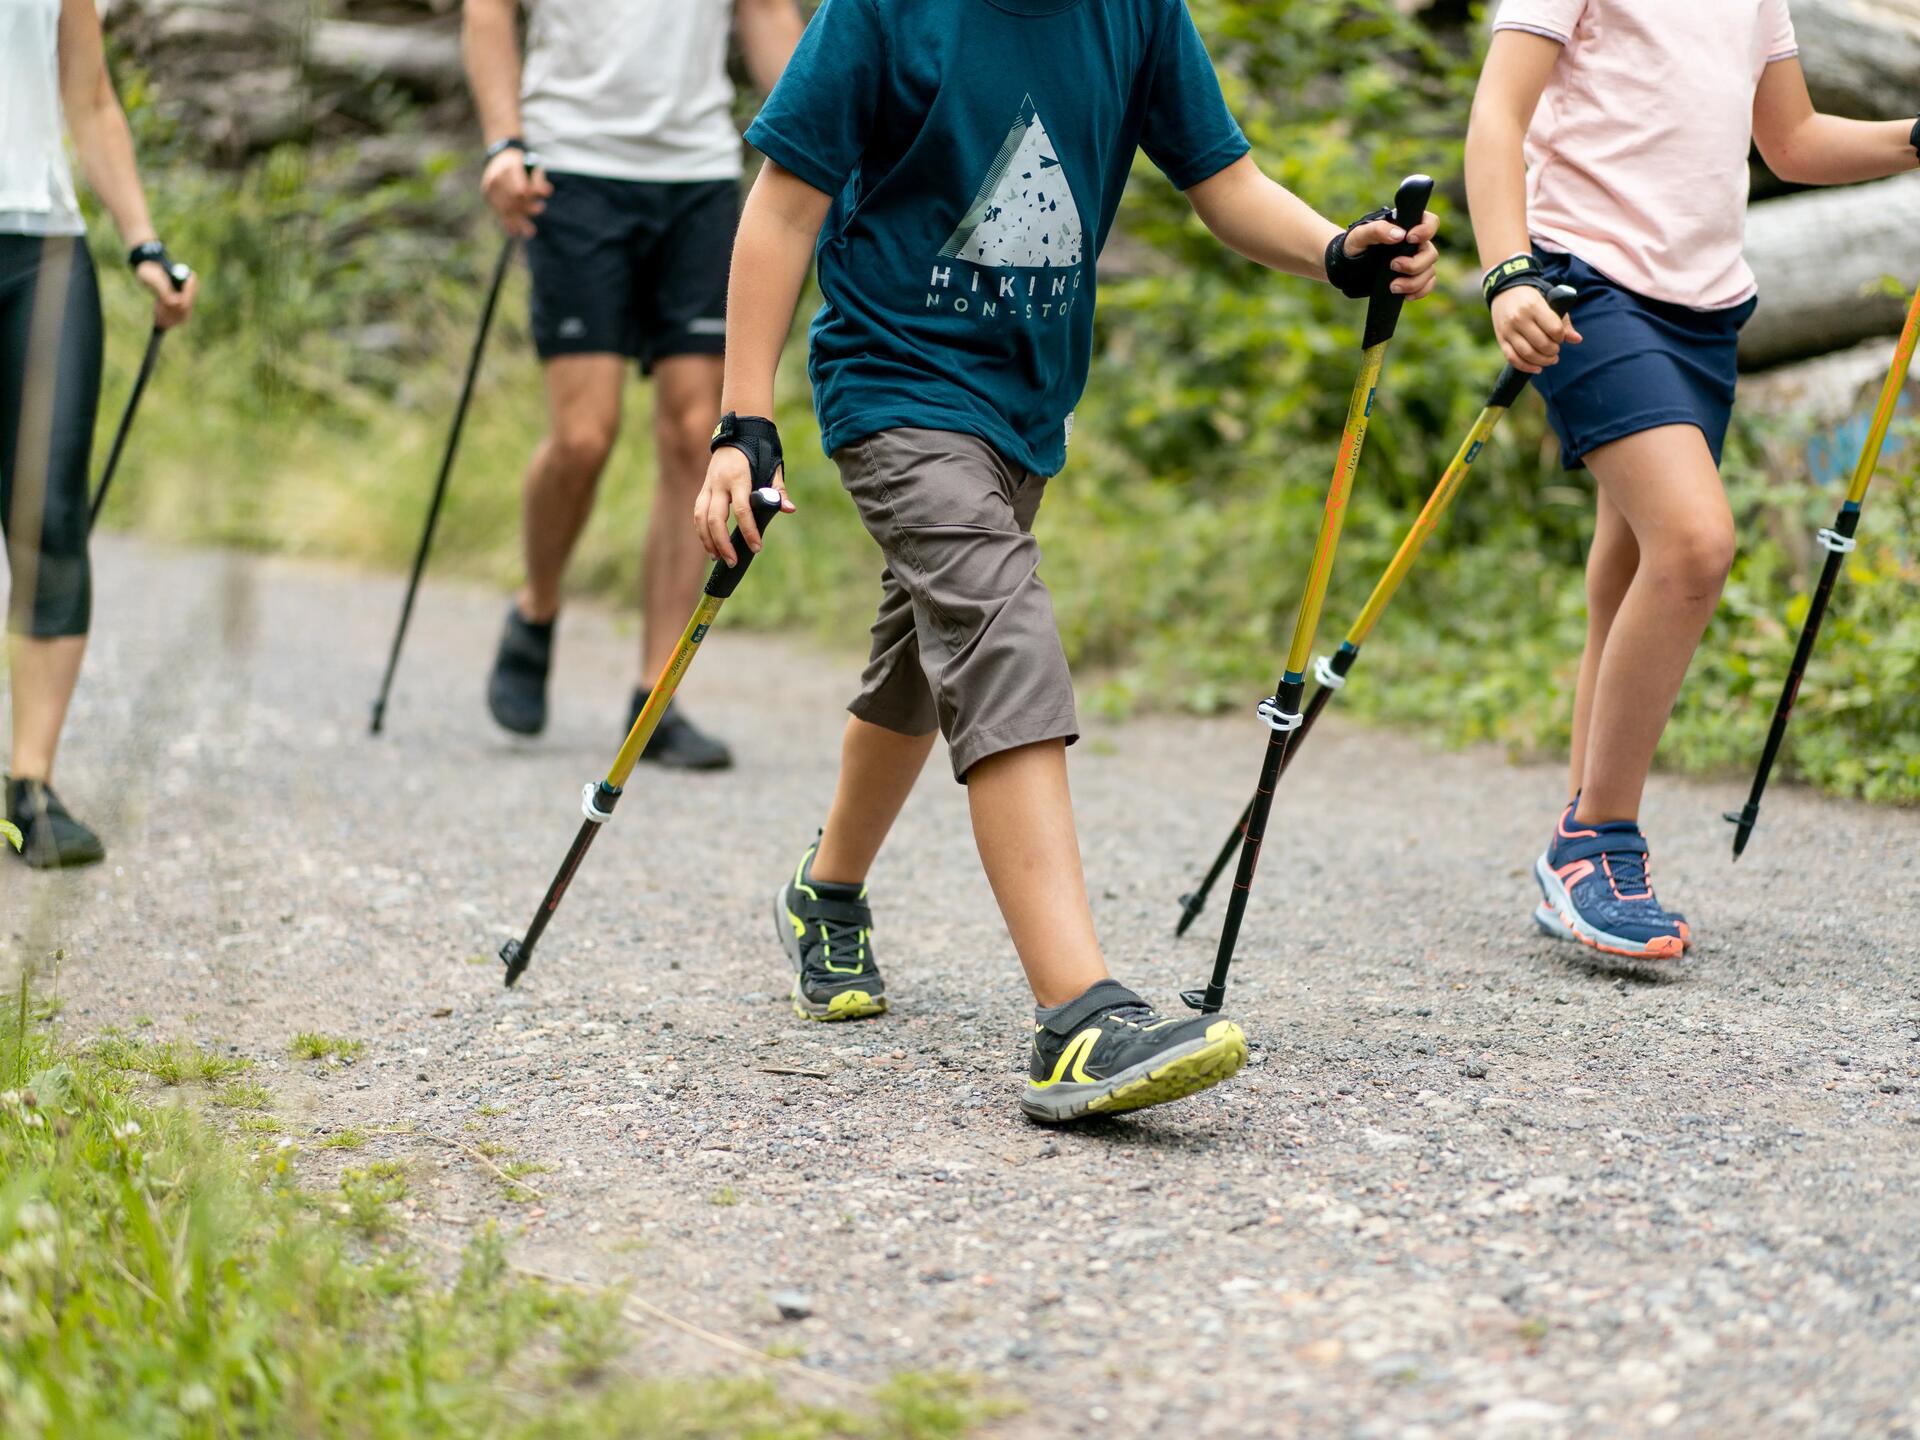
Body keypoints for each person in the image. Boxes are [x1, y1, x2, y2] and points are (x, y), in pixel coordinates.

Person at [695, 0, 1439, 1121]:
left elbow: (1222, 181)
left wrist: (1336, 251)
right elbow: (786, 205)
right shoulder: (884, 12)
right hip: (892, 385)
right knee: (999, 630)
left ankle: (826, 890)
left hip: (1027, 401)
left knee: (925, 649)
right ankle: (1078, 1017)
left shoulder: (1134, 8)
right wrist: (742, 423)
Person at [1467, 0, 1918, 962]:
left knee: (1628, 562)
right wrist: (1507, 272)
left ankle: (1577, 833)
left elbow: (1791, 142)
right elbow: (1499, 112)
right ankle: (1596, 841)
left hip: (1704, 307)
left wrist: (1913, 138)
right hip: (1581, 284)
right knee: (1695, 543)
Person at [463, 0, 805, 767]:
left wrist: (826, 140)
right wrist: (502, 142)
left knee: (696, 433)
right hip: (571, 171)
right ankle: (537, 606)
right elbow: (487, 12)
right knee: (584, 436)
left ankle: (656, 697)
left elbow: (768, 16)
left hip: (699, 176)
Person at [2, 0, 198, 868]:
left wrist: (144, 241)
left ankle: (28, 789)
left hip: (42, 248)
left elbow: (89, 99)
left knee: (49, 513)